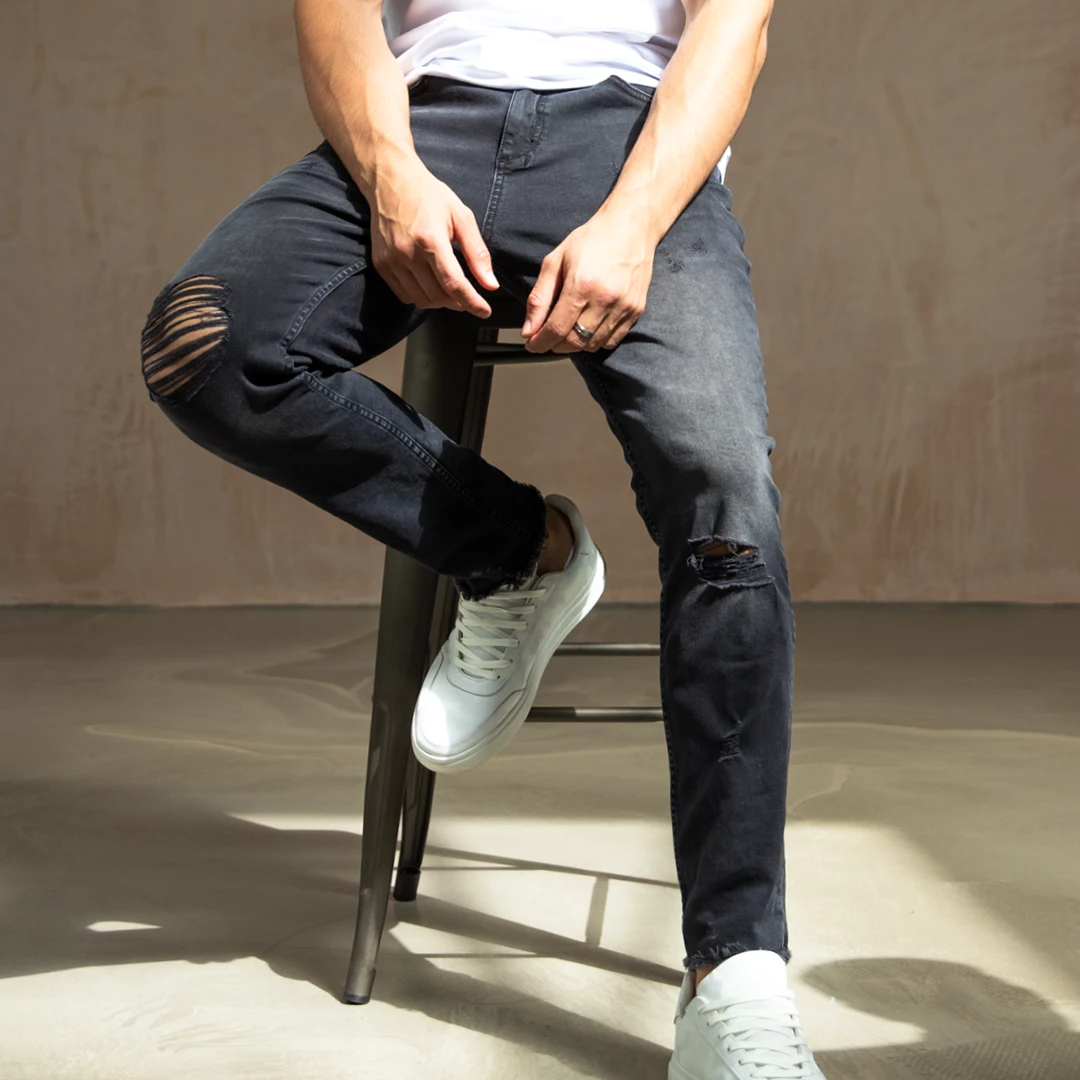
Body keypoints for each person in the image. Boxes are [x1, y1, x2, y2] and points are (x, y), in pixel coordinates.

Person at [139, 1, 825, 1076]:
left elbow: (734, 27)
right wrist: (391, 176)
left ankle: (732, 975)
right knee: (207, 347)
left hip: (630, 138)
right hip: (426, 125)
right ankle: (519, 552)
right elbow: (333, 13)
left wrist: (634, 221)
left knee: (725, 496)